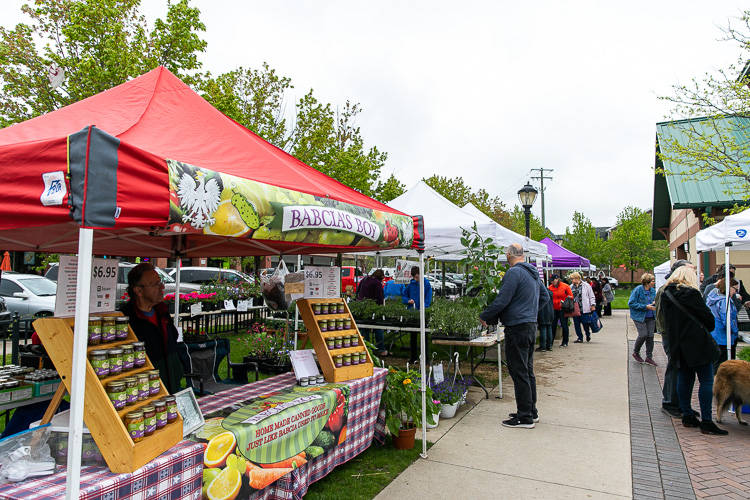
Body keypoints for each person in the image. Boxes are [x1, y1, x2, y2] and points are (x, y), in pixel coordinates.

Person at [479, 243, 549, 428]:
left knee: (519, 372)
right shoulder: (532, 273)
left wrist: (484, 316)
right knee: (527, 371)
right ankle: (531, 412)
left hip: (517, 328)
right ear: (523, 255)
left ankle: (524, 417)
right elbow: (545, 297)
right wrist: (530, 312)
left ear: (509, 254)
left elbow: (502, 300)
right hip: (530, 326)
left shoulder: (514, 273)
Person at [661, 266, 727, 435]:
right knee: (706, 380)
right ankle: (706, 420)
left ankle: (687, 414)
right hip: (697, 343)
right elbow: (708, 319)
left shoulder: (666, 294)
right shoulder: (691, 293)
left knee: (684, 377)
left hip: (678, 343)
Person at [120, 262, 185, 394]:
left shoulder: (162, 311)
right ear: (138, 290)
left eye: (160, 282)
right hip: (145, 388)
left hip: (172, 380)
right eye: (155, 284)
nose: (162, 287)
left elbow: (173, 338)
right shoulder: (126, 319)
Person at [654, 259, 693, 418]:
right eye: (690, 270)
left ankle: (681, 404)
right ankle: (670, 402)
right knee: (675, 367)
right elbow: (661, 318)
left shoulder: (682, 289)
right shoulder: (666, 291)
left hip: (681, 335)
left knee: (682, 369)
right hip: (672, 336)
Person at [705, 278, 739, 374]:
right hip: (723, 336)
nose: (735, 292)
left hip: (714, 334)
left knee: (716, 363)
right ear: (728, 287)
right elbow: (727, 320)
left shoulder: (712, 298)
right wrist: (735, 331)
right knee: (723, 366)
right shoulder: (724, 301)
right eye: (734, 289)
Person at [402, 266, 432, 362]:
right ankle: (413, 357)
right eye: (414, 277)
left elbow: (428, 299)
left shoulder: (426, 284)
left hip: (422, 313)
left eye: (417, 277)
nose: (415, 279)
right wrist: (408, 301)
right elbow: (404, 296)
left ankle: (425, 358)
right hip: (412, 313)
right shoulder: (411, 284)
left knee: (424, 337)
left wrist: (423, 308)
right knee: (413, 336)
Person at [356, 269, 388, 357]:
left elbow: (357, 291)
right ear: (381, 277)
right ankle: (381, 349)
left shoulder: (364, 279)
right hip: (372, 309)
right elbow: (379, 297)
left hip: (361, 307)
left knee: (364, 328)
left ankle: (366, 348)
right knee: (378, 327)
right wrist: (381, 309)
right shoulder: (377, 283)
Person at [628, 273, 657, 366]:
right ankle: (636, 352)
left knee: (650, 336)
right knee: (643, 334)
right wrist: (645, 307)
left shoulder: (653, 291)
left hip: (651, 317)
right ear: (647, 282)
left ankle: (649, 357)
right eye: (652, 281)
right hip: (639, 316)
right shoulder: (638, 290)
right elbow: (631, 303)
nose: (654, 283)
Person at [569, 272, 595, 343]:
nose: (571, 280)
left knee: (585, 322)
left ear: (577, 278)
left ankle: (587, 333)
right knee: (576, 323)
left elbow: (591, 296)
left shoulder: (586, 285)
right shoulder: (571, 286)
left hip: (584, 307)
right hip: (575, 308)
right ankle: (580, 337)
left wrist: (593, 305)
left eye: (572, 279)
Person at [548, 274, 573, 347]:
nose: (552, 282)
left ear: (557, 279)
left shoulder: (565, 286)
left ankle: (565, 341)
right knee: (553, 325)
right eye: (551, 281)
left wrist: (565, 300)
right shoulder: (550, 287)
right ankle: (550, 341)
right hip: (554, 308)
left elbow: (571, 296)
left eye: (553, 280)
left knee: (564, 325)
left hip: (563, 308)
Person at [537, 286, 554, 352]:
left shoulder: (540, 292)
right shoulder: (549, 292)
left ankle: (543, 346)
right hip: (550, 312)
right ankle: (549, 345)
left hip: (542, 312)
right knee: (549, 328)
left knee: (543, 328)